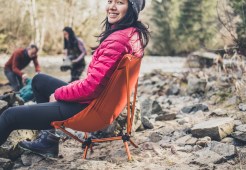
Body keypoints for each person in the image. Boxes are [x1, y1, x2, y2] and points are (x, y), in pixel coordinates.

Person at [0, 0, 149, 157]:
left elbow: (91, 87)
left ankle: (47, 141)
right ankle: (48, 141)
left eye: (120, 2)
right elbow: (97, 82)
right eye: (110, 1)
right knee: (38, 80)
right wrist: (68, 88)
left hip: (88, 109)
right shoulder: (132, 34)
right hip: (97, 103)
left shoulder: (118, 40)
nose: (111, 6)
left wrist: (58, 94)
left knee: (10, 115)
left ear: (132, 8)